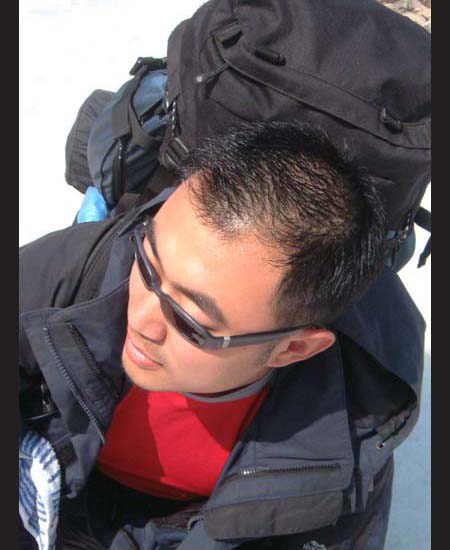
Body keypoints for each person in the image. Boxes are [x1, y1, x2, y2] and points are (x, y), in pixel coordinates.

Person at [19, 122, 425, 550]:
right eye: (148, 264)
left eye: (189, 322)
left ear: (293, 348)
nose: (140, 319)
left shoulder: (341, 454)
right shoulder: (84, 267)